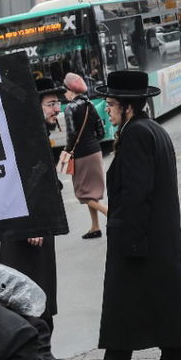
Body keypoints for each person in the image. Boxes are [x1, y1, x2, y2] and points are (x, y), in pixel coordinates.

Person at [76, 71, 181, 360]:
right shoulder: (152, 129)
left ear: (128, 107)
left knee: (120, 309)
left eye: (111, 105)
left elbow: (137, 193)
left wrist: (131, 242)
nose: (107, 111)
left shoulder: (137, 134)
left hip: (139, 238)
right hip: (158, 238)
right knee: (166, 304)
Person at [0, 80, 64, 329]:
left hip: (39, 225)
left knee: (42, 291)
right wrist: (32, 224)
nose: (57, 109)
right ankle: (33, 359)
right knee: (26, 294)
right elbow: (15, 184)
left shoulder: (36, 133)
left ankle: (43, 355)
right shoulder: (23, 136)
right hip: (26, 230)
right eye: (50, 104)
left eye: (56, 103)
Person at [60, 74, 107, 239]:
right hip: (95, 152)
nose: (64, 93)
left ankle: (110, 214)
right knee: (91, 193)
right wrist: (92, 142)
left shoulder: (70, 108)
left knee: (82, 193)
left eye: (65, 90)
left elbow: (71, 134)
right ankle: (95, 227)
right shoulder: (90, 105)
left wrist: (67, 151)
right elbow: (101, 132)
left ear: (71, 90)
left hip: (81, 156)